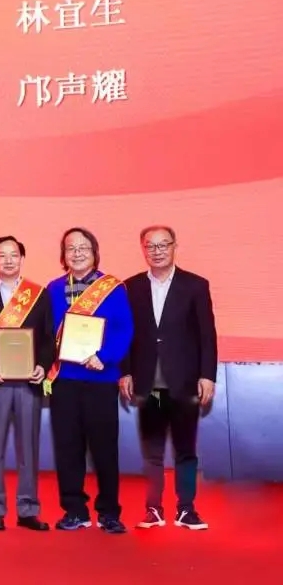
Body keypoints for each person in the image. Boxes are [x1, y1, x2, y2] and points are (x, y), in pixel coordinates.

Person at [120, 225, 217, 530]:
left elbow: (207, 335)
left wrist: (207, 375)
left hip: (185, 382)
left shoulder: (196, 285)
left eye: (163, 245)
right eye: (151, 246)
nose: (157, 251)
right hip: (150, 384)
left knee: (186, 450)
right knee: (153, 451)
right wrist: (125, 371)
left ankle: (186, 509)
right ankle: (153, 508)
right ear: (143, 249)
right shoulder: (131, 287)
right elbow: (125, 334)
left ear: (175, 246)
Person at [46, 227, 133, 535]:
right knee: (67, 447)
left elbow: (124, 329)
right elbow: (46, 332)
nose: (77, 253)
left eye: (83, 248)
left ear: (95, 253)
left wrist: (105, 356)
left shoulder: (113, 288)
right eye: (71, 248)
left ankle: (109, 512)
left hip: (100, 377)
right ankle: (74, 510)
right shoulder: (53, 288)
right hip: (64, 379)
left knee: (104, 448)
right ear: (63, 255)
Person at [0, 236, 54, 532]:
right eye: (1, 255)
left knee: (29, 447)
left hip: (29, 382)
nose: (8, 260)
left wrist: (43, 366)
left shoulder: (38, 294)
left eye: (13, 254)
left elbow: (48, 337)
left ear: (22, 259)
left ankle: (28, 509)